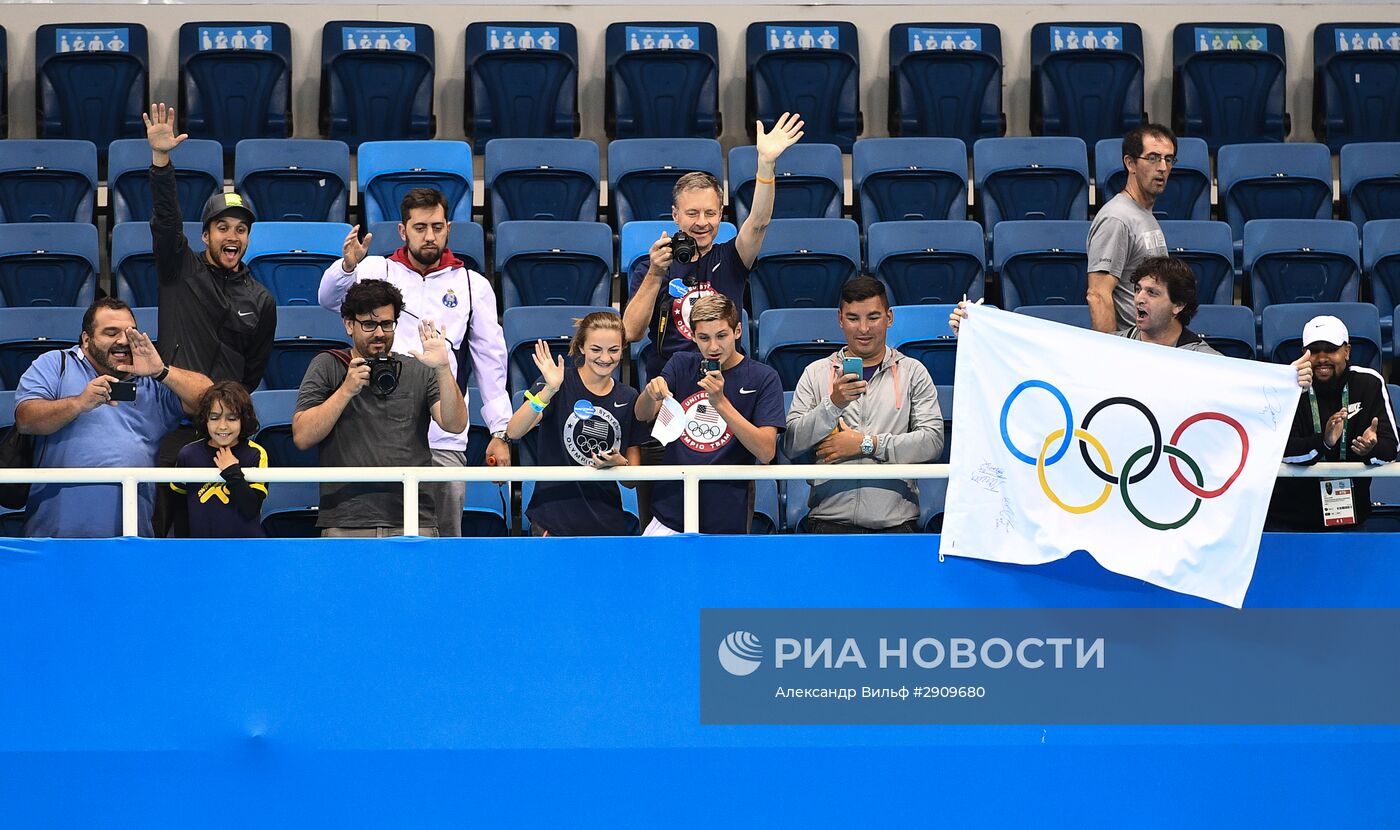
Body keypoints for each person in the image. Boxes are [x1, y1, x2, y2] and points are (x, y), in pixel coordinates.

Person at [623, 111, 803, 524]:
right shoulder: (650, 265)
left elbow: (758, 221)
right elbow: (631, 332)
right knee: (661, 524)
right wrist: (655, 273)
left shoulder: (732, 257)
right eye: (692, 214)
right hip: (668, 396)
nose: (701, 223)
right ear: (674, 216)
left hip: (726, 391)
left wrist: (766, 164)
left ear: (721, 212)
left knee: (725, 517)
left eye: (709, 213)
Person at [321, 188, 510, 537]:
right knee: (372, 543)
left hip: (441, 437)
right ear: (403, 231)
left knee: (441, 547)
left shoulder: (472, 284)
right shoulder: (376, 268)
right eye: (420, 227)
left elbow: (491, 364)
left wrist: (501, 432)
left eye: (437, 227)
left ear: (449, 228)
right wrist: (347, 266)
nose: (430, 236)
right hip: (375, 434)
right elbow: (330, 299)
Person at [145, 102, 277, 534]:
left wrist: (226, 416)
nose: (232, 235)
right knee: (170, 539)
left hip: (228, 437)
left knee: (230, 536)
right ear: (206, 235)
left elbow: (253, 373)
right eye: (223, 227)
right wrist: (161, 162)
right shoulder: (178, 267)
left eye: (241, 229)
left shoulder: (261, 299)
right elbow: (166, 223)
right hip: (176, 431)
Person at [14, 299, 213, 537]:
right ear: (86, 339)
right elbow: (25, 419)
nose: (122, 340)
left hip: (130, 535)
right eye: (111, 333)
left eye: (129, 332)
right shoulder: (56, 364)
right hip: (54, 536)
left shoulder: (151, 381)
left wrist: (162, 372)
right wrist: (79, 403)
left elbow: (210, 401)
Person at [292, 279, 468, 537]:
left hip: (413, 518)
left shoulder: (420, 368)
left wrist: (443, 370)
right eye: (369, 324)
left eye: (387, 324)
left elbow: (455, 424)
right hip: (346, 520)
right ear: (349, 324)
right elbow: (302, 436)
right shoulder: (327, 365)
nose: (379, 333)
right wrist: (345, 391)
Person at [784, 278, 945, 533]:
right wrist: (833, 404)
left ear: (889, 317)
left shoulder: (914, 372)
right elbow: (791, 445)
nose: (864, 329)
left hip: (896, 525)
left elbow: (933, 442)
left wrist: (867, 444)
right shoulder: (815, 373)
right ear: (840, 319)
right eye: (853, 318)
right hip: (827, 522)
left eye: (873, 317)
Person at [633, 295, 785, 535]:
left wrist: (721, 403)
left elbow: (766, 451)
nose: (713, 347)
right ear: (693, 336)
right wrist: (651, 393)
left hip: (726, 519)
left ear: (737, 331)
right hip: (669, 514)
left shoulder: (763, 377)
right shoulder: (681, 364)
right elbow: (642, 414)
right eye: (704, 338)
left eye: (721, 336)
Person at [506, 312, 643, 536]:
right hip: (553, 521)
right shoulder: (557, 382)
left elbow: (631, 481)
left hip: (607, 524)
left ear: (623, 349)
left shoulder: (629, 396)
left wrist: (620, 464)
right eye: (596, 349)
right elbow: (514, 430)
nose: (605, 358)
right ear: (581, 347)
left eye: (614, 350)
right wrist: (549, 391)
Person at [1266, 316, 1398, 532]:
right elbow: (1280, 451)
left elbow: (1391, 448)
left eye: (1331, 349)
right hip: (1287, 519)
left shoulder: (1369, 383)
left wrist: (1371, 449)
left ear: (1347, 351)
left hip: (1349, 518)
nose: (1322, 358)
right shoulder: (1288, 386)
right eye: (1314, 350)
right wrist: (1323, 443)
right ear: (1303, 353)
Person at [1087, 123, 1173, 333]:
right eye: (1153, 158)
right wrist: (1112, 357)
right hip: (1132, 351)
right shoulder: (1117, 218)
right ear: (1130, 163)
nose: (1162, 167)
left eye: (1168, 159)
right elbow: (1098, 295)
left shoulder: (1143, 215)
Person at [170, 381, 269, 538]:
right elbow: (180, 510)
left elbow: (251, 509)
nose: (222, 426)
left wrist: (232, 471)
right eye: (215, 418)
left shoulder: (255, 454)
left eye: (231, 418)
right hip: (202, 550)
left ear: (243, 420)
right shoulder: (188, 454)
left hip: (245, 551)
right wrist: (184, 548)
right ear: (205, 419)